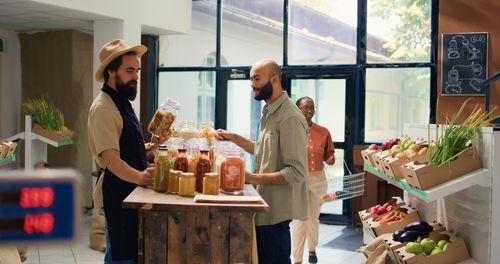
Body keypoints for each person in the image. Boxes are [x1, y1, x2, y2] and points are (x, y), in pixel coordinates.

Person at [215, 59, 309, 264]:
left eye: (257, 78)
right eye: (251, 79)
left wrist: (249, 177)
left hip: (275, 215)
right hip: (263, 209)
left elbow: (297, 172)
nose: (252, 84)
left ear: (274, 79)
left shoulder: (290, 117)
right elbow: (263, 150)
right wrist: (233, 137)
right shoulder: (270, 111)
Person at [88, 39, 164, 263]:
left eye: (137, 70)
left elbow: (130, 149)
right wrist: (141, 176)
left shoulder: (122, 102)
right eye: (129, 71)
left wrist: (155, 144)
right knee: (122, 257)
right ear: (111, 72)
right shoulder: (103, 108)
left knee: (129, 254)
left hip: (132, 192)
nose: (136, 77)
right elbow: (112, 159)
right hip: (119, 193)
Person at [292, 96, 335, 264]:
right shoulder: (292, 131)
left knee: (313, 218)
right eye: (305, 108)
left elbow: (329, 153)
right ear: (298, 109)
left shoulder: (323, 131)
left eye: (312, 107)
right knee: (299, 218)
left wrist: (330, 158)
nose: (309, 111)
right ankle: (296, 258)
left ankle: (312, 250)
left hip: (318, 178)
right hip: (298, 178)